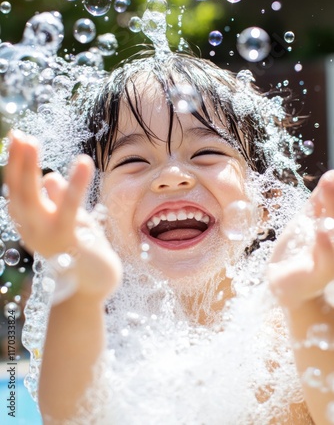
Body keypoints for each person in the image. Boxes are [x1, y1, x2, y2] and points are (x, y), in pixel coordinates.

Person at [4, 51, 334, 424]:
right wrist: (80, 289)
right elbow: (71, 418)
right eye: (133, 161)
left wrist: (309, 301)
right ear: (97, 213)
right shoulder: (98, 340)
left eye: (208, 152)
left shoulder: (290, 333)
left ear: (267, 202)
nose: (173, 176)